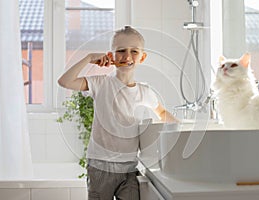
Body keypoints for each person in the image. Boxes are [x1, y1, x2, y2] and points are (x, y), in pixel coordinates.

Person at [58, 26, 178, 200]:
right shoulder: (100, 84)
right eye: (121, 51)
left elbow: (162, 112)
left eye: (134, 51)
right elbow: (64, 81)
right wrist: (89, 58)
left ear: (142, 57)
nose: (127, 56)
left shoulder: (145, 92)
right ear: (111, 56)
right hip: (100, 167)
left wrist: (181, 129)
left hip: (129, 168)